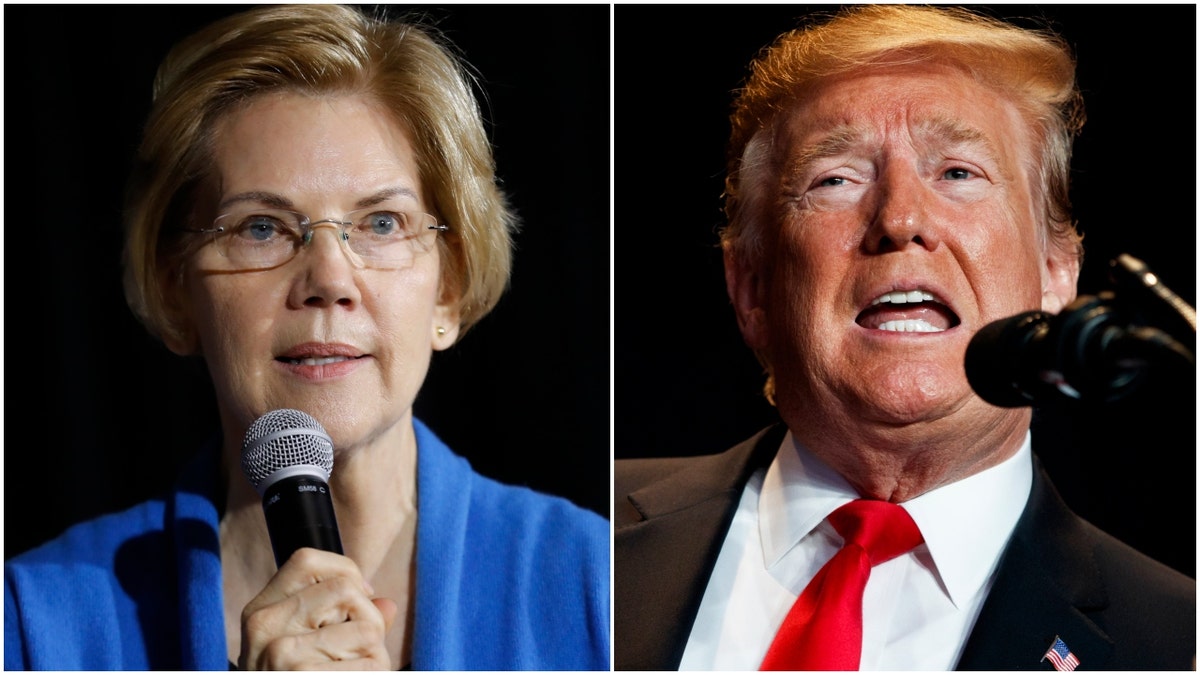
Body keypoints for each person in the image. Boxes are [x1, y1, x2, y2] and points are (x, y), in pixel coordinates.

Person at [5, 5, 609, 670]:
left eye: (381, 223)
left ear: (449, 288)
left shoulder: (603, 582)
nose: (328, 278)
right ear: (176, 289)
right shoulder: (34, 623)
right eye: (261, 227)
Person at [614, 5, 1195, 670]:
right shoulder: (581, 539)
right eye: (835, 179)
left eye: (957, 172)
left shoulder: (1179, 641)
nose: (899, 217)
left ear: (1055, 272)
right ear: (750, 288)